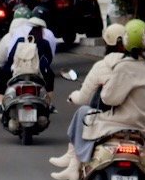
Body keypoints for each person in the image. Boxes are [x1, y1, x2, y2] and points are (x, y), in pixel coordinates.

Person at [51, 19, 145, 180]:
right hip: (141, 124)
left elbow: (109, 98)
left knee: (85, 115)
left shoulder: (123, 66)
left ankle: (74, 162)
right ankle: (73, 161)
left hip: (118, 122)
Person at [48, 23, 127, 169]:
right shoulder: (141, 66)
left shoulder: (103, 66)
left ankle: (73, 160)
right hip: (137, 121)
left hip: (109, 118)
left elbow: (84, 97)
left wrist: (73, 97)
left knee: (83, 112)